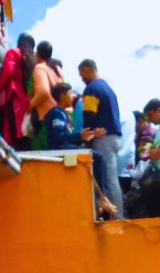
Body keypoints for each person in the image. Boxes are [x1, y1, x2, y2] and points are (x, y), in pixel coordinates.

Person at [45, 83, 118, 218]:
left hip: (64, 147)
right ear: (62, 95)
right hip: (58, 149)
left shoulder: (62, 114)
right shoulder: (56, 113)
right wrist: (80, 136)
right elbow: (57, 137)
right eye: (69, 93)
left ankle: (100, 198)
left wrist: (90, 134)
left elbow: (68, 137)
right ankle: (101, 197)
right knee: (98, 158)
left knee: (97, 158)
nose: (71, 97)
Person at [78, 59, 124, 218]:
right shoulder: (108, 89)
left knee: (109, 180)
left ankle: (118, 218)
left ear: (88, 70)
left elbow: (89, 116)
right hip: (115, 137)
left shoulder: (91, 89)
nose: (81, 78)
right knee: (112, 177)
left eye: (82, 74)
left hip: (103, 138)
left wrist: (87, 136)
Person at [0, 33, 35, 149]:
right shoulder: (32, 59)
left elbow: (8, 71)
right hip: (27, 102)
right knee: (24, 135)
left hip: (15, 100)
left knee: (15, 136)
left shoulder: (14, 52)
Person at [29, 41, 64, 148]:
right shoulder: (57, 68)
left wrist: (30, 107)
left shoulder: (40, 68)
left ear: (38, 54)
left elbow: (43, 91)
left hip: (46, 118)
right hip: (61, 115)